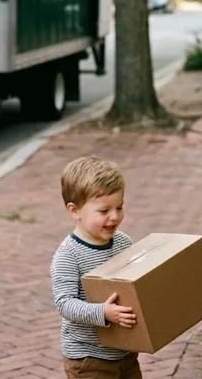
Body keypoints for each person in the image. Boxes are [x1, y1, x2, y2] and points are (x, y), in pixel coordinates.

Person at [50, 156, 142, 379]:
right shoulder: (68, 255)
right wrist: (103, 312)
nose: (114, 216)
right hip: (88, 359)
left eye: (119, 207)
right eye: (104, 211)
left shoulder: (123, 243)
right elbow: (65, 303)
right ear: (75, 211)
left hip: (125, 352)